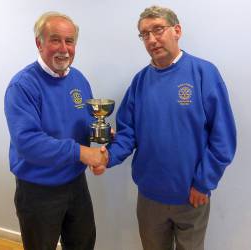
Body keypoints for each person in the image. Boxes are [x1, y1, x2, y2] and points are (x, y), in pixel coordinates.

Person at [92, 5, 236, 250]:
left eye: (158, 30)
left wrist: (204, 183)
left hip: (192, 196)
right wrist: (107, 157)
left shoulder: (204, 73)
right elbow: (128, 133)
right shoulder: (139, 82)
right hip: (149, 197)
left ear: (176, 30)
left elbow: (223, 137)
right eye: (144, 34)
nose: (152, 39)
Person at [4, 12, 107, 250]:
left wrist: (100, 141)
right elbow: (28, 143)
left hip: (76, 184)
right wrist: (82, 153)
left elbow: (85, 123)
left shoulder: (79, 79)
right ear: (39, 43)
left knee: (83, 244)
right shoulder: (23, 85)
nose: (63, 48)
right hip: (38, 190)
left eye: (69, 41)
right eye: (55, 40)